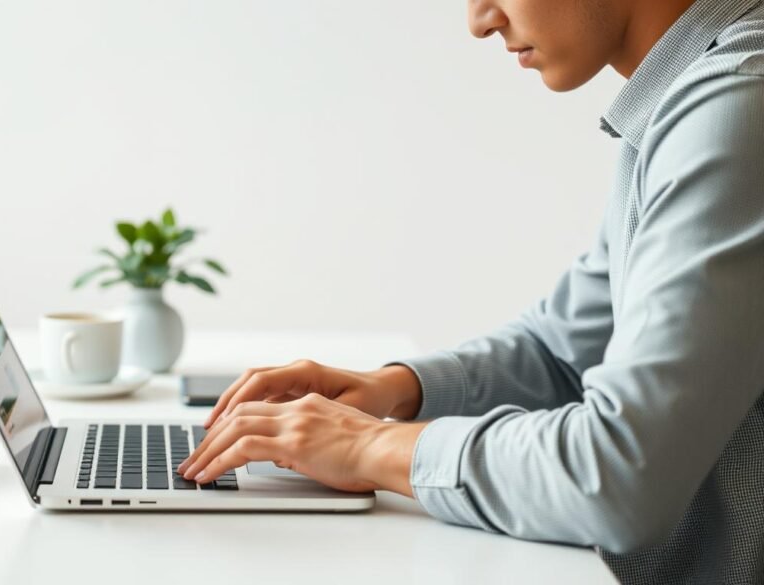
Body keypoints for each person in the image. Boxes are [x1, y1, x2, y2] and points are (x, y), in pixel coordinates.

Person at [178, 0, 764, 582]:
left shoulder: (737, 104)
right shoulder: (683, 100)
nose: (479, 20)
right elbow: (562, 349)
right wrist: (393, 390)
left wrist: (369, 447)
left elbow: (619, 476)